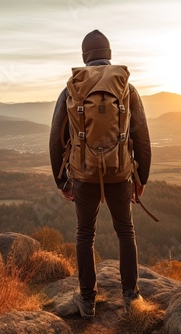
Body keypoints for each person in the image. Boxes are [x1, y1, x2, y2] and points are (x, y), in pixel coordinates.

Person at [49, 29, 152, 318]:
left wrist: (62, 180)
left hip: (84, 175)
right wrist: (140, 178)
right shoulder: (126, 88)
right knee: (126, 231)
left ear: (85, 56)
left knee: (85, 234)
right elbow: (141, 135)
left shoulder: (72, 87)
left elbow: (56, 138)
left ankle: (87, 300)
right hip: (119, 173)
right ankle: (132, 297)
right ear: (109, 54)